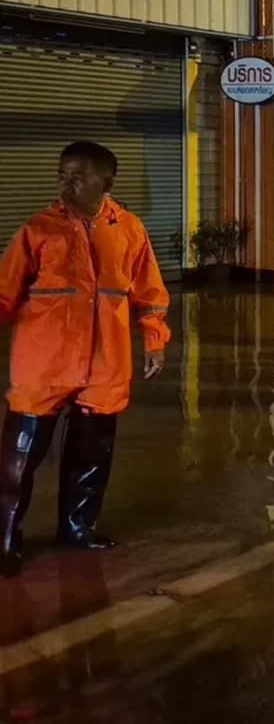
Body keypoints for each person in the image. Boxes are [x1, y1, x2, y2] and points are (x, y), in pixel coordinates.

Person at [0, 141, 170, 577]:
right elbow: (4, 292)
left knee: (92, 454)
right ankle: (5, 540)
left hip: (105, 363)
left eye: (76, 175)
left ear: (105, 181)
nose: (65, 182)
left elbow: (149, 293)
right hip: (43, 365)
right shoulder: (38, 229)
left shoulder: (130, 229)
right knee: (19, 460)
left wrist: (154, 339)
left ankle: (78, 529)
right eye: (62, 174)